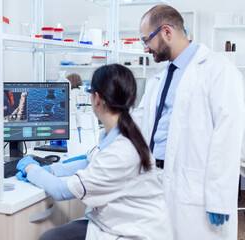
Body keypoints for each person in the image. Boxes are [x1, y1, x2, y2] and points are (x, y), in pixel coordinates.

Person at [16, 64, 172, 240]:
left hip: (132, 232)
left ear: (97, 98)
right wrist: (51, 170)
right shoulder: (122, 131)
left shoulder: (119, 151)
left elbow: (60, 191)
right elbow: (89, 161)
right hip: (121, 221)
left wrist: (31, 169)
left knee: (50, 238)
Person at [134, 5, 244, 239]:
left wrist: (220, 197)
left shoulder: (218, 70)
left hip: (195, 191)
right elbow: (139, 123)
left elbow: (228, 135)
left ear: (166, 32)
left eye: (147, 40)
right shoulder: (159, 78)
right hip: (155, 180)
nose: (145, 49)